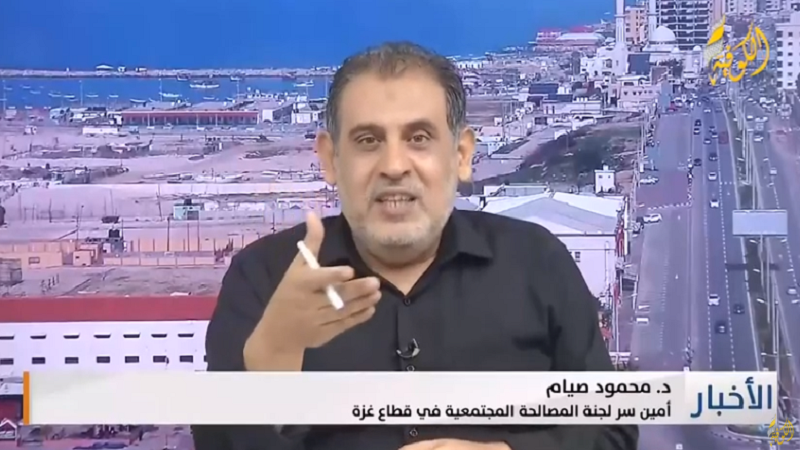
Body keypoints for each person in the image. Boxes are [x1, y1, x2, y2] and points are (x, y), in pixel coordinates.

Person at [193, 41, 639, 450]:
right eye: (368, 141)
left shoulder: (536, 263)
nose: (394, 165)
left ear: (461, 155)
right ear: (330, 159)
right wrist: (268, 361)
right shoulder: (264, 279)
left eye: (419, 138)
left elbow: (613, 430)